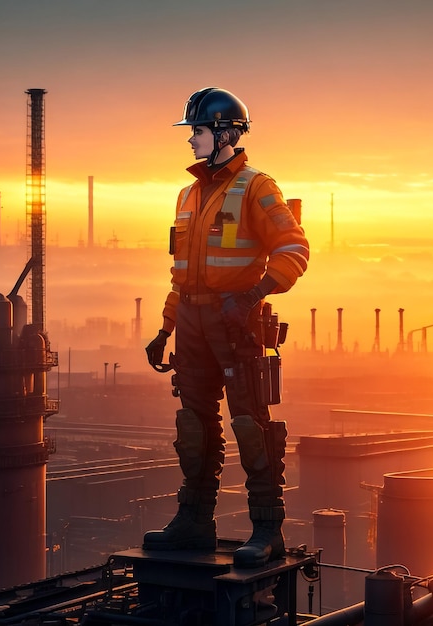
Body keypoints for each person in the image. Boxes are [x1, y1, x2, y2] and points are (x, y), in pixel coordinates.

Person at [143, 87, 309, 568]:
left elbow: (294, 249)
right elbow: (183, 273)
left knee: (249, 426)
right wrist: (166, 327)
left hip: (236, 323)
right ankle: (194, 521)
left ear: (225, 133)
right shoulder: (188, 195)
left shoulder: (257, 187)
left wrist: (253, 296)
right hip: (193, 323)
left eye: (196, 130)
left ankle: (266, 528)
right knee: (193, 427)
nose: (190, 140)